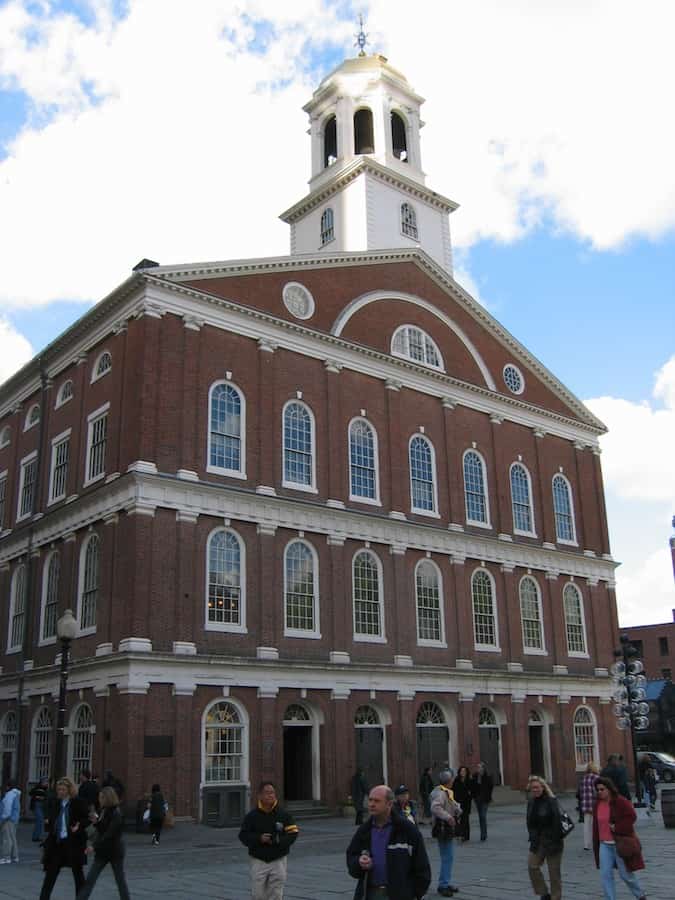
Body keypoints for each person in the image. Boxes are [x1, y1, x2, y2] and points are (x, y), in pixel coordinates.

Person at [346, 783, 430, 900]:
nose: (371, 804)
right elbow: (351, 857)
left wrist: (414, 894)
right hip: (370, 893)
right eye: (370, 800)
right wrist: (358, 862)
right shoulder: (364, 830)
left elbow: (422, 867)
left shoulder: (407, 830)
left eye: (377, 801)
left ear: (389, 804)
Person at [239, 781, 299, 900]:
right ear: (259, 796)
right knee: (258, 894)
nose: (270, 795)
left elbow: (293, 833)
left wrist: (278, 841)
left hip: (278, 859)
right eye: (267, 793)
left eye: (272, 793)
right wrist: (259, 838)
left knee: (276, 893)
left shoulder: (284, 815)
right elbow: (243, 835)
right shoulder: (252, 816)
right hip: (258, 859)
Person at [592, 776, 647, 900]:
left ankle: (640, 895)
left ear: (609, 789)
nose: (600, 792)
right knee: (605, 875)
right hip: (604, 844)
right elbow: (596, 826)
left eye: (602, 789)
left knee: (625, 875)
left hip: (619, 843)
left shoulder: (620, 801)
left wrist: (617, 827)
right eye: (598, 790)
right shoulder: (597, 805)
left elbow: (632, 816)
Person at [76, 786, 130, 899]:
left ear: (108, 798)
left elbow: (109, 834)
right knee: (90, 879)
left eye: (101, 797)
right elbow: (103, 829)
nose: (99, 799)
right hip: (102, 851)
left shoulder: (116, 813)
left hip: (114, 851)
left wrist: (94, 846)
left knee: (120, 881)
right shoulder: (104, 810)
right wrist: (96, 822)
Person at [39, 777, 89, 898]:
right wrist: (48, 821)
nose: (60, 792)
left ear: (69, 790)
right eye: (58, 789)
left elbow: (87, 818)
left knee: (78, 874)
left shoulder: (78, 802)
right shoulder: (56, 803)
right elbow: (49, 814)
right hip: (57, 843)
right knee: (50, 874)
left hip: (73, 843)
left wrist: (79, 825)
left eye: (63, 789)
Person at [526, 775, 563, 900]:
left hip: (553, 841)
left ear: (543, 787)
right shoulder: (531, 802)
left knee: (554, 874)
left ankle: (556, 897)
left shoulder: (551, 801)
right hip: (538, 841)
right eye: (532, 788)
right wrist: (532, 836)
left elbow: (557, 823)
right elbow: (530, 823)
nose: (535, 790)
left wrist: (554, 840)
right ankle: (544, 894)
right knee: (532, 866)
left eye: (537, 787)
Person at [430, 769, 462, 897]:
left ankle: (446, 882)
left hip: (445, 829)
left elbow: (449, 804)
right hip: (443, 829)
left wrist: (457, 808)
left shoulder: (444, 792)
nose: (453, 781)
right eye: (452, 779)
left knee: (448, 857)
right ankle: (443, 885)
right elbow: (435, 807)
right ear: (449, 781)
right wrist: (448, 817)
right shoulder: (441, 794)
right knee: (447, 857)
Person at [470, 761, 494, 841]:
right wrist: (473, 796)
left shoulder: (487, 776)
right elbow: (472, 787)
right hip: (477, 799)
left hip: (485, 800)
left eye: (480, 767)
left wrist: (489, 797)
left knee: (483, 816)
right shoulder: (475, 776)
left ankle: (484, 834)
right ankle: (483, 833)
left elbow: (491, 787)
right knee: (480, 817)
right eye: (477, 767)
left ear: (483, 768)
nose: (478, 769)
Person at [579, 762, 600, 850]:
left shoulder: (584, 778)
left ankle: (586, 844)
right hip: (594, 803)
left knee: (586, 825)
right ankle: (595, 842)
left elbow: (580, 792)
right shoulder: (596, 778)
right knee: (595, 824)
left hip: (585, 803)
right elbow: (597, 792)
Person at [0, 778, 21, 864]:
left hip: (8, 819)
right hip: (14, 819)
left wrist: (3, 818)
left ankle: (6, 857)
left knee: (6, 839)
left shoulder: (9, 795)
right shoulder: (16, 794)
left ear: (8, 786)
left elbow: (7, 809)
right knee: (13, 838)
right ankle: (15, 856)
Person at [452, 766, 472, 842]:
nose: (463, 773)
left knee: (465, 819)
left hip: (466, 803)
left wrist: (470, 795)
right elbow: (453, 791)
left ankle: (466, 836)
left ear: (466, 772)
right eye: (461, 771)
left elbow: (472, 790)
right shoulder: (456, 781)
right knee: (459, 819)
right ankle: (460, 834)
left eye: (464, 771)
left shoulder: (469, 781)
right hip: (458, 803)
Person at [30, 777, 49, 842]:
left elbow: (46, 797)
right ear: (42, 782)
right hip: (37, 805)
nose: (46, 783)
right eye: (45, 782)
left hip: (42, 805)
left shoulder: (46, 789)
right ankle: (35, 837)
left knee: (40, 821)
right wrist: (37, 797)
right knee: (39, 820)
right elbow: (31, 793)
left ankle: (37, 836)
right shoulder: (37, 787)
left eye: (47, 782)